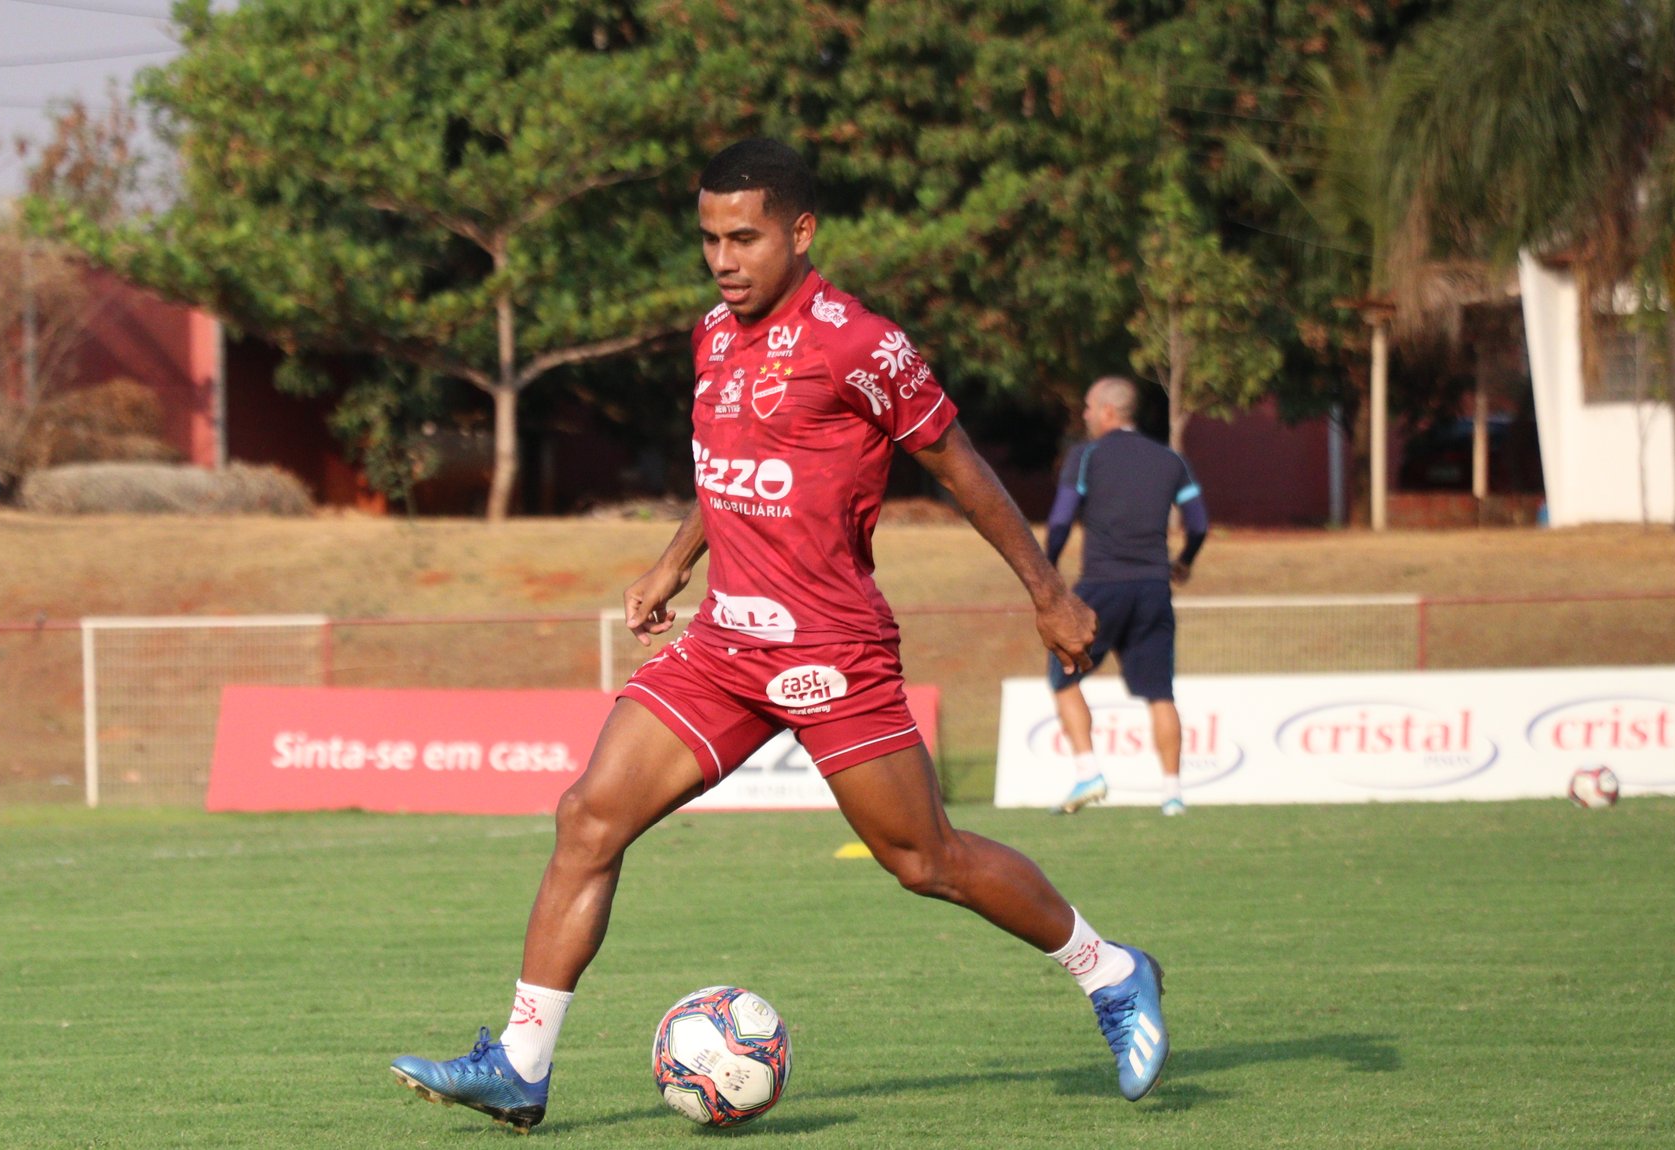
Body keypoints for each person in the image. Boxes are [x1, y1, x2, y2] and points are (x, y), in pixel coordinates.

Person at [388, 139, 1170, 1132]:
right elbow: (733, 471)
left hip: (829, 652)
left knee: (923, 860)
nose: (723, 257)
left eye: (744, 237)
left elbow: (959, 463)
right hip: (724, 647)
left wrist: (1045, 590)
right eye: (709, 237)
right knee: (588, 814)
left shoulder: (858, 343)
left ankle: (1109, 971)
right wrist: (675, 561)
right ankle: (520, 1062)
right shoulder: (711, 335)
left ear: (800, 233)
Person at [1044, 377, 1209, 817]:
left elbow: (1060, 521)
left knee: (1063, 678)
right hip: (1154, 588)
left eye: (1088, 407)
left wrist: (1047, 575)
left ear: (1108, 412)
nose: (1084, 416)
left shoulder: (1086, 456)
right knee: (1160, 693)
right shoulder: (1171, 460)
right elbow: (1199, 523)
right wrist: (1185, 561)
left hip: (1102, 586)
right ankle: (1173, 794)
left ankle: (1088, 772)